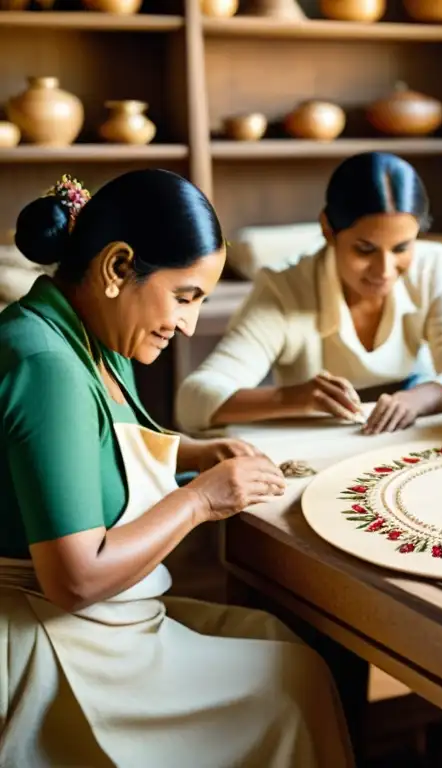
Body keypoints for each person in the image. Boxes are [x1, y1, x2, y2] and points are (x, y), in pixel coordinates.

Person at [0, 170, 354, 767]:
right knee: (293, 686)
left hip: (99, 620)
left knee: (286, 645)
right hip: (46, 637)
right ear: (117, 268)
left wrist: (188, 453)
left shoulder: (92, 334)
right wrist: (200, 500)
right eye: (184, 296)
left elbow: (98, 446)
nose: (188, 324)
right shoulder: (46, 365)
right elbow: (76, 580)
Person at [175, 151, 442, 436]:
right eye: (365, 250)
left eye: (401, 248)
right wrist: (291, 397)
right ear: (328, 229)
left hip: (412, 434)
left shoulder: (434, 265)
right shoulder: (285, 288)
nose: (384, 269)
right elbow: (192, 402)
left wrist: (416, 399)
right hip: (317, 450)